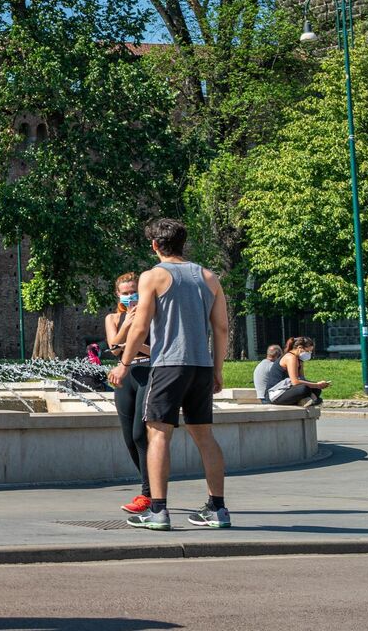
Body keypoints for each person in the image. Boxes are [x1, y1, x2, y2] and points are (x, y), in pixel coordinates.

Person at [110, 218, 230, 530]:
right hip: (201, 366)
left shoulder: (153, 276)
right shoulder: (209, 277)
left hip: (167, 365)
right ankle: (217, 508)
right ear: (183, 242)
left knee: (159, 432)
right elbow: (221, 328)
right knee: (204, 435)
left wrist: (124, 363)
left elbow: (139, 325)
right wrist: (217, 368)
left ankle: (159, 510)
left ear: (154, 245)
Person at [103, 271, 153, 514]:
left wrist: (132, 345)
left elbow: (155, 350)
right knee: (128, 438)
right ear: (118, 295)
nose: (130, 296)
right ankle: (150, 486)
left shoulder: (151, 314)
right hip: (126, 376)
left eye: (134, 291)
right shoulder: (112, 318)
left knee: (139, 434)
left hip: (147, 372)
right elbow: (113, 348)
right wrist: (128, 326)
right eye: (125, 293)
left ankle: (148, 494)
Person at [266, 337, 330, 407]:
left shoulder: (299, 359)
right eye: (308, 351)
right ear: (300, 348)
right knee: (304, 389)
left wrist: (317, 386)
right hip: (276, 393)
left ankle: (306, 400)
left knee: (316, 390)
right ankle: (308, 400)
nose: (309, 354)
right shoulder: (290, 357)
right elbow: (295, 382)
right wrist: (317, 385)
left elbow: (301, 379)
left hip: (287, 388)